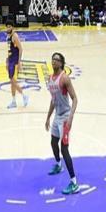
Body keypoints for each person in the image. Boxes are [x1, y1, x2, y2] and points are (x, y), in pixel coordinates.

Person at [45, 52, 79, 195]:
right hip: (57, 116)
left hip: (65, 116)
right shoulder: (49, 79)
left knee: (64, 149)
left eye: (56, 59)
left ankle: (74, 183)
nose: (53, 61)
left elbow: (75, 99)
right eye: (52, 59)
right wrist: (48, 117)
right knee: (53, 142)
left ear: (61, 63)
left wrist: (70, 117)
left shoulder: (64, 78)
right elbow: (53, 100)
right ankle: (59, 165)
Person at [6, 20, 28, 109]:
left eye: (10, 26)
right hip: (11, 60)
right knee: (12, 82)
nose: (8, 28)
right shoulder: (8, 36)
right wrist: (7, 60)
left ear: (12, 27)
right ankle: (14, 101)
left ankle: (24, 95)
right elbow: (9, 49)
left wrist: (19, 62)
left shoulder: (14, 36)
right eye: (7, 26)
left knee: (13, 81)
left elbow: (21, 49)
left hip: (15, 61)